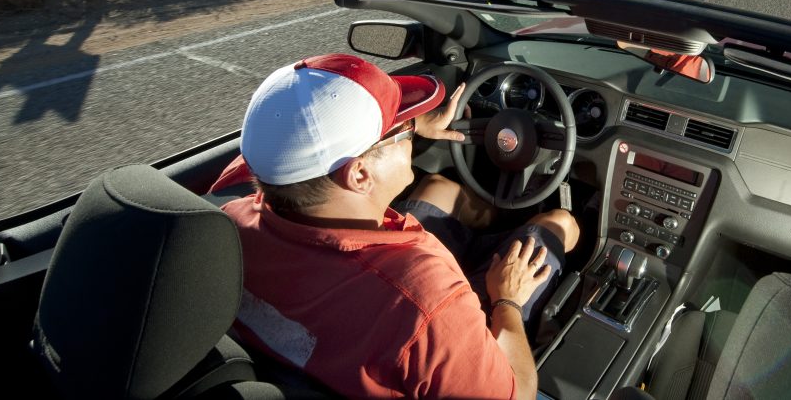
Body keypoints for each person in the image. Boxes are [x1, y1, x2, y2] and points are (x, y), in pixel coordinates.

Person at [209, 53, 580, 399]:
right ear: (359, 174)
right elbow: (517, 394)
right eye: (402, 129)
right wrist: (506, 300)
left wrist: (412, 128)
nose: (411, 136)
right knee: (560, 223)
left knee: (441, 188)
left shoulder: (230, 225)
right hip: (448, 330)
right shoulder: (426, 302)